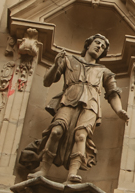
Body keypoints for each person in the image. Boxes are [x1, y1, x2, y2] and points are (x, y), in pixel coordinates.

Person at [39, 34, 128, 183]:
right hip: (68, 100)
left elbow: (113, 93)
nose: (99, 47)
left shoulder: (103, 71)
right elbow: (47, 81)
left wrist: (119, 110)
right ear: (88, 44)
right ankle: (43, 169)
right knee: (56, 131)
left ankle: (72, 174)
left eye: (103, 47)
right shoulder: (69, 60)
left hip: (91, 106)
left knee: (81, 136)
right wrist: (55, 64)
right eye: (97, 43)